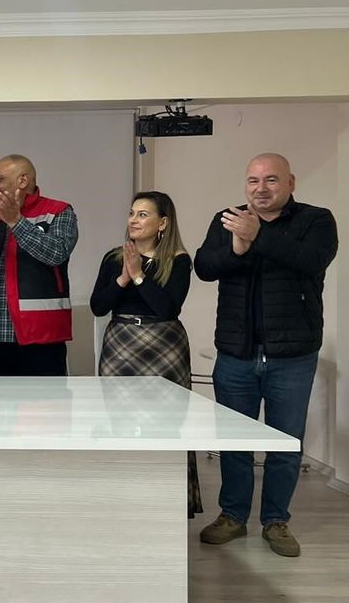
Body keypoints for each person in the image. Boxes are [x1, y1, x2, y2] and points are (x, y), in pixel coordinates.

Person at [194, 153, 337, 558]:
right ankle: (232, 516)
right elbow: (204, 266)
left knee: (285, 442)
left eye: (271, 180)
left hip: (292, 355)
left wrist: (258, 236)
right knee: (233, 441)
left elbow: (312, 261)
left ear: (290, 182)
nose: (261, 188)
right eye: (253, 181)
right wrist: (237, 247)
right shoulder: (227, 219)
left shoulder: (316, 220)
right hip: (235, 353)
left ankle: (276, 520)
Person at [89, 190, 202, 519]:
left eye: (143, 214)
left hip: (163, 345)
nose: (134, 220)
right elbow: (98, 306)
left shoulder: (178, 260)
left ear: (162, 223)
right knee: (119, 420)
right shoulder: (114, 258)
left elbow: (167, 308)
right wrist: (123, 278)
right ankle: (123, 499)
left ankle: (167, 503)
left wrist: (139, 275)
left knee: (165, 424)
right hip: (121, 343)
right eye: (132, 213)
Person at [0, 154, 78, 376]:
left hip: (40, 338)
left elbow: (56, 253)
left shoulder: (58, 211)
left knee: (43, 399)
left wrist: (15, 221)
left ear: (23, 181)